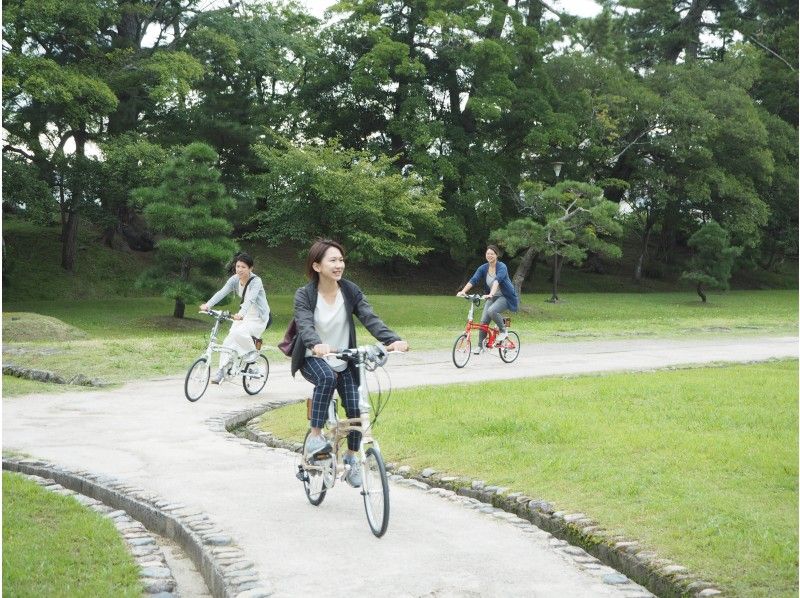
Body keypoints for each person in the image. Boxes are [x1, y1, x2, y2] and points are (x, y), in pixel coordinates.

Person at [290, 239, 408, 488]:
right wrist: (316, 344)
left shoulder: (350, 291)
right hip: (315, 358)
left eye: (341, 260)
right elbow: (304, 324)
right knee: (326, 378)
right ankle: (314, 437)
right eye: (332, 260)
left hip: (345, 359)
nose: (339, 264)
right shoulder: (305, 294)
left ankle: (352, 457)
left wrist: (393, 340)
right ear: (317, 265)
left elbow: (370, 317)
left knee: (356, 409)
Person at [200, 252, 271, 384]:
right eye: (238, 266)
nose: (239, 269)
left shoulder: (256, 281)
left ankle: (252, 358)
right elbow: (222, 292)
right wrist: (208, 305)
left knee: (238, 333)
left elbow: (250, 300)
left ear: (251, 268)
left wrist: (241, 314)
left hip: (258, 317)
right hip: (243, 315)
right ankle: (222, 370)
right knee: (229, 340)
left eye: (243, 267)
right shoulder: (234, 279)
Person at [456, 244, 519, 354]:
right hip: (492, 296)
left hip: (505, 296)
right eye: (487, 253)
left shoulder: (502, 267)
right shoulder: (483, 268)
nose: (489, 255)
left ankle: (503, 331)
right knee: (483, 322)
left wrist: (491, 293)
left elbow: (497, 280)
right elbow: (473, 279)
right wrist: (463, 291)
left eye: (492, 254)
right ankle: (480, 347)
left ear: (496, 255)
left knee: (492, 311)